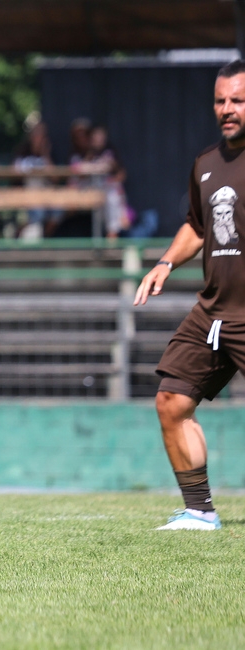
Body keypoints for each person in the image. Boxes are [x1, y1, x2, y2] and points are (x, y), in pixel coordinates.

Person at [133, 59, 245, 531]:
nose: (227, 109)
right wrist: (164, 262)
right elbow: (198, 227)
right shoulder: (206, 163)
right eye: (220, 100)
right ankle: (199, 511)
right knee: (172, 400)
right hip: (214, 310)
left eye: (237, 100)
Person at [13, 121, 62, 240]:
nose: (39, 138)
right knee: (38, 213)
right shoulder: (22, 154)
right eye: (36, 134)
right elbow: (13, 175)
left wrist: (45, 155)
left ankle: (43, 238)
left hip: (48, 194)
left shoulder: (50, 155)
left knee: (58, 211)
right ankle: (18, 233)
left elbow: (56, 179)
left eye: (42, 135)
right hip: (28, 194)